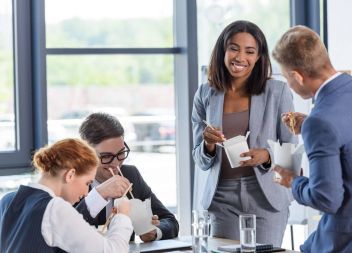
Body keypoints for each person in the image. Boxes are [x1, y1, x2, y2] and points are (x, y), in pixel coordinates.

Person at [272, 25, 352, 252]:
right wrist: (311, 124)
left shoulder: (320, 122)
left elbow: (326, 198)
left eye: (286, 77)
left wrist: (292, 181)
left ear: (297, 76)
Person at [191, 20, 297, 246]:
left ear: (259, 57)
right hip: (222, 200)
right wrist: (208, 145)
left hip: (266, 199)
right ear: (223, 50)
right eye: (234, 48)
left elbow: (291, 153)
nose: (240, 58)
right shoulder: (205, 93)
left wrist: (267, 156)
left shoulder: (277, 92)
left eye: (250, 51)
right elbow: (199, 160)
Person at [0, 138, 133, 253]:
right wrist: (123, 215)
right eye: (88, 183)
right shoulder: (55, 209)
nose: (86, 192)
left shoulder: (7, 200)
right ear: (70, 175)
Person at [75, 112, 179, 242]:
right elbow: (65, 230)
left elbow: (170, 220)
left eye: (121, 153)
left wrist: (153, 232)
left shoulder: (131, 175)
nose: (116, 163)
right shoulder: (72, 181)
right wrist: (99, 193)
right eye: (106, 156)